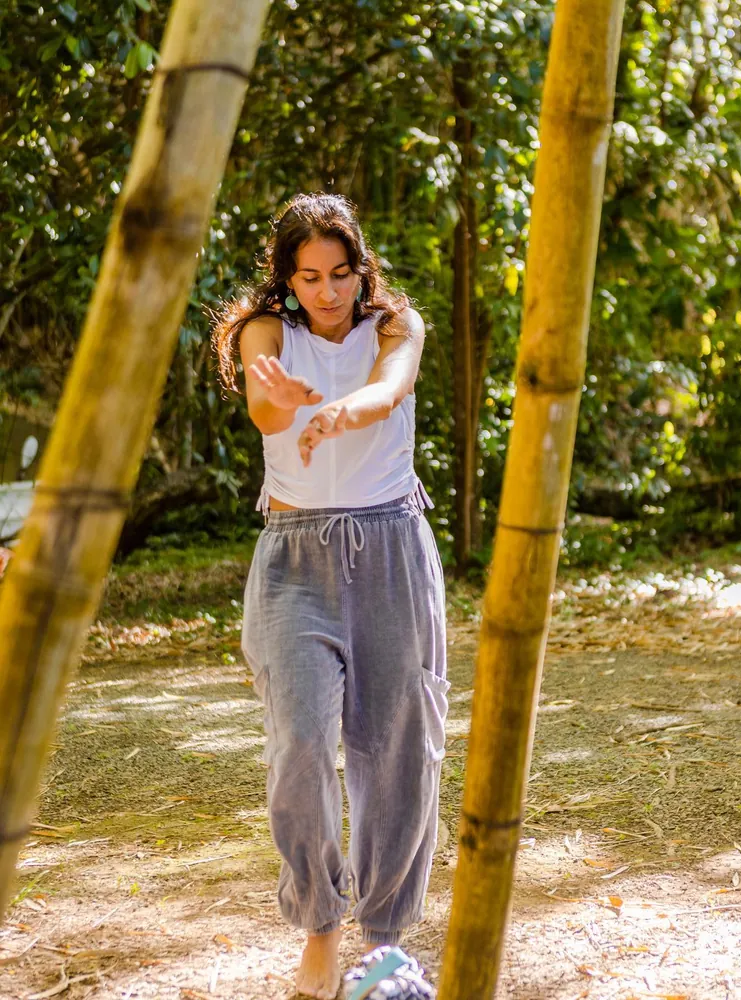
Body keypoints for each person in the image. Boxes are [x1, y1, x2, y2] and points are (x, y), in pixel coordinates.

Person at [212, 192, 449, 1000]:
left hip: (392, 547)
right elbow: (262, 406)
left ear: (360, 268)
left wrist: (339, 413)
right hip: (294, 556)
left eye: (341, 273)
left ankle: (384, 939)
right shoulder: (266, 334)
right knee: (302, 741)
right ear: (287, 278)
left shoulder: (396, 326)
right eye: (309, 277)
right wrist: (281, 399)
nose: (327, 291)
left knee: (399, 744)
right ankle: (320, 925)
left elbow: (389, 390)